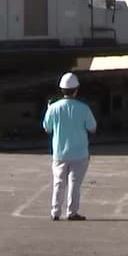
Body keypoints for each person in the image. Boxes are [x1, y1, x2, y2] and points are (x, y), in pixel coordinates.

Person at [42, 72, 97, 222]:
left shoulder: (53, 108)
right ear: (76, 90)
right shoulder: (83, 108)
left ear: (61, 90)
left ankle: (55, 211)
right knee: (74, 184)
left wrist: (49, 109)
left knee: (58, 182)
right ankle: (72, 212)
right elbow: (92, 128)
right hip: (79, 153)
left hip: (60, 153)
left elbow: (47, 128)